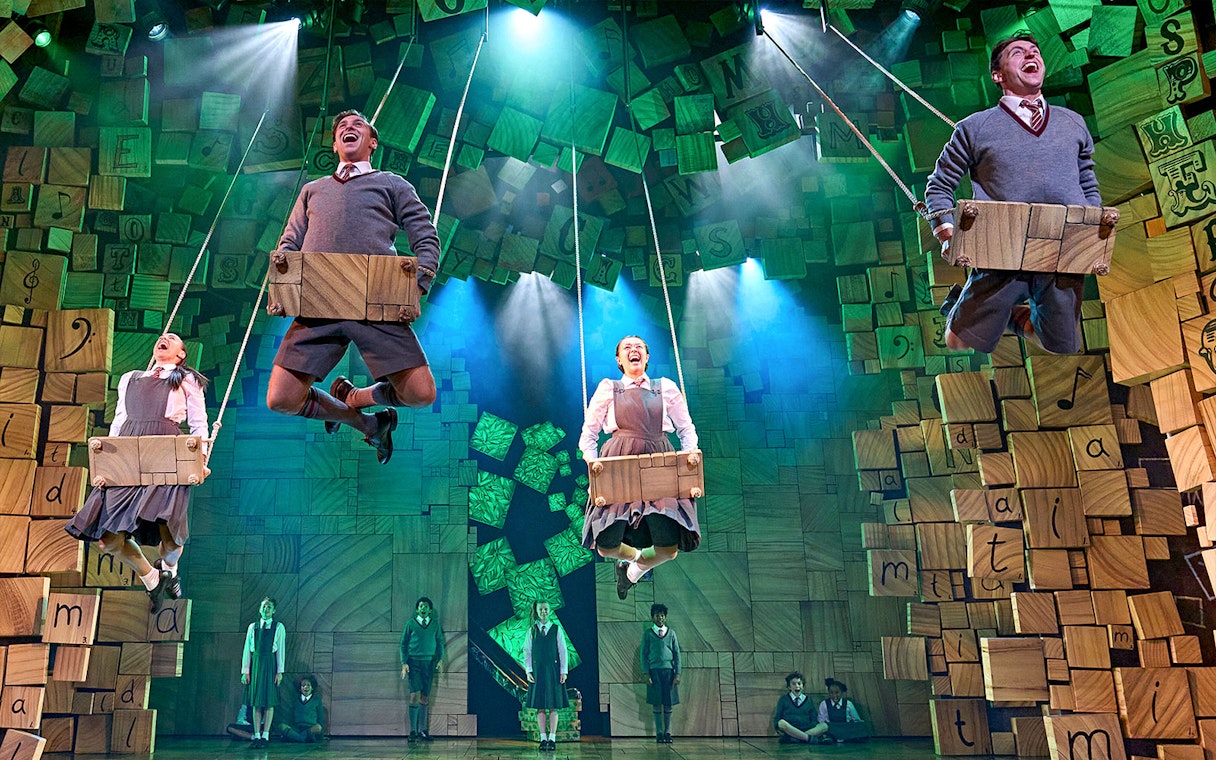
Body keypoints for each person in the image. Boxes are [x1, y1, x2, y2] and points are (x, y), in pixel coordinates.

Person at [265, 109, 441, 464]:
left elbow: (426, 237)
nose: (349, 127)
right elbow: (289, 244)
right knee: (281, 398)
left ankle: (357, 397)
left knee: (421, 394)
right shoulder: (312, 190)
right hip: (319, 302)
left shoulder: (392, 184)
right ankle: (368, 423)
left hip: (376, 298)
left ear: (372, 142)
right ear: (334, 144)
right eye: (342, 127)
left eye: (358, 125)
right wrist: (285, 287)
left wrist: (418, 284)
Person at [926, 33, 1101, 356]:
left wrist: (1092, 229)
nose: (1031, 55)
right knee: (958, 341)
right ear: (998, 75)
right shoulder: (974, 127)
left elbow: (1087, 181)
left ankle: (1007, 317)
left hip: (1062, 248)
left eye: (1035, 51)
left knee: (1060, 345)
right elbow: (939, 184)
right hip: (1002, 247)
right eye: (1018, 53)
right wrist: (947, 233)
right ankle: (964, 307)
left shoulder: (1073, 123)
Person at [66, 333, 208, 612]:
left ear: (181, 355)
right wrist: (107, 460)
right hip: (128, 455)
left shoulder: (186, 379)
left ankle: (170, 569)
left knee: (170, 538)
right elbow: (119, 420)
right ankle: (152, 578)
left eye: (173, 338)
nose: (164, 337)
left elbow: (198, 422)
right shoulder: (130, 378)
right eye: (163, 336)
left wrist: (200, 458)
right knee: (109, 539)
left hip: (166, 452)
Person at [579, 336, 700, 600]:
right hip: (619, 464)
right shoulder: (609, 388)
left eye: (639, 347)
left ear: (646, 357)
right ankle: (632, 559)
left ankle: (632, 573)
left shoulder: (665, 387)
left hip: (659, 463)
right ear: (619, 360)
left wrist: (689, 459)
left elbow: (686, 429)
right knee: (606, 545)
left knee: (668, 549)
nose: (633, 350)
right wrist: (595, 468)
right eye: (627, 347)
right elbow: (588, 435)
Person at [524, 601, 568, 752]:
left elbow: (563, 651)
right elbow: (527, 651)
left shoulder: (556, 629)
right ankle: (543, 738)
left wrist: (563, 671)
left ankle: (552, 738)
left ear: (550, 611)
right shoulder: (532, 630)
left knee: (553, 706)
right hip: (538, 672)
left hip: (553, 672)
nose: (543, 611)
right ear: (537, 611)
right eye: (541, 609)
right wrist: (528, 671)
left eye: (546, 609)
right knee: (540, 706)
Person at [242, 597, 286, 749]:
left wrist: (279, 671)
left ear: (274, 610)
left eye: (269, 607)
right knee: (256, 702)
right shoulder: (252, 627)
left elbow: (280, 650)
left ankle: (265, 735)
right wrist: (245, 671)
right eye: (264, 606)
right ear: (260, 608)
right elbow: (247, 650)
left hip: (269, 665)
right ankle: (257, 735)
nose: (266, 609)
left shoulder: (278, 627)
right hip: (255, 665)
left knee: (268, 701)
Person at [399, 596, 445, 742]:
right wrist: (404, 662)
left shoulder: (435, 625)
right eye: (420, 606)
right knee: (414, 695)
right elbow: (403, 644)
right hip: (414, 662)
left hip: (429, 663)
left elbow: (440, 642)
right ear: (417, 609)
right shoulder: (410, 624)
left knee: (425, 696)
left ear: (430, 610)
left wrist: (441, 659)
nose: (423, 609)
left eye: (425, 606)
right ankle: (412, 731)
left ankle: (423, 730)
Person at [641, 603, 680, 744]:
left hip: (668, 671)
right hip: (654, 671)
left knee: (668, 702)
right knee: (656, 702)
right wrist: (646, 673)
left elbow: (677, 654)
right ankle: (658, 733)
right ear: (653, 617)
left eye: (662, 615)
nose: (660, 618)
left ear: (665, 617)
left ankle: (667, 732)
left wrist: (678, 673)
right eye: (657, 615)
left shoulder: (671, 633)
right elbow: (644, 655)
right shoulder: (648, 634)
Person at [773, 672, 828, 744]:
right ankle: (807, 738)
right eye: (793, 684)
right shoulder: (783, 699)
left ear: (803, 686)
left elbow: (814, 718)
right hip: (790, 729)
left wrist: (811, 726)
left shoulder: (808, 700)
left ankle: (796, 738)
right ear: (789, 687)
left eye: (799, 683)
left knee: (824, 726)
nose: (797, 686)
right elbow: (777, 717)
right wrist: (777, 728)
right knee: (781, 723)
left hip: (806, 729)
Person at [816, 678, 868, 743]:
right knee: (822, 728)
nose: (834, 695)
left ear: (842, 692)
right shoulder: (824, 704)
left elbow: (856, 720)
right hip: (831, 729)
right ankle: (828, 738)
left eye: (837, 692)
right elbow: (821, 721)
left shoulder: (848, 704)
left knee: (862, 725)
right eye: (831, 693)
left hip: (845, 729)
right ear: (828, 693)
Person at [278, 675, 325, 743]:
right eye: (303, 685)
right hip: (297, 728)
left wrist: (321, 734)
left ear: (312, 688)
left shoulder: (317, 700)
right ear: (300, 688)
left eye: (308, 685)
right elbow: (290, 717)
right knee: (281, 726)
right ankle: (303, 738)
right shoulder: (295, 700)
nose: (305, 687)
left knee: (318, 728)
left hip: (310, 728)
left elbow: (320, 718)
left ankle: (295, 737)